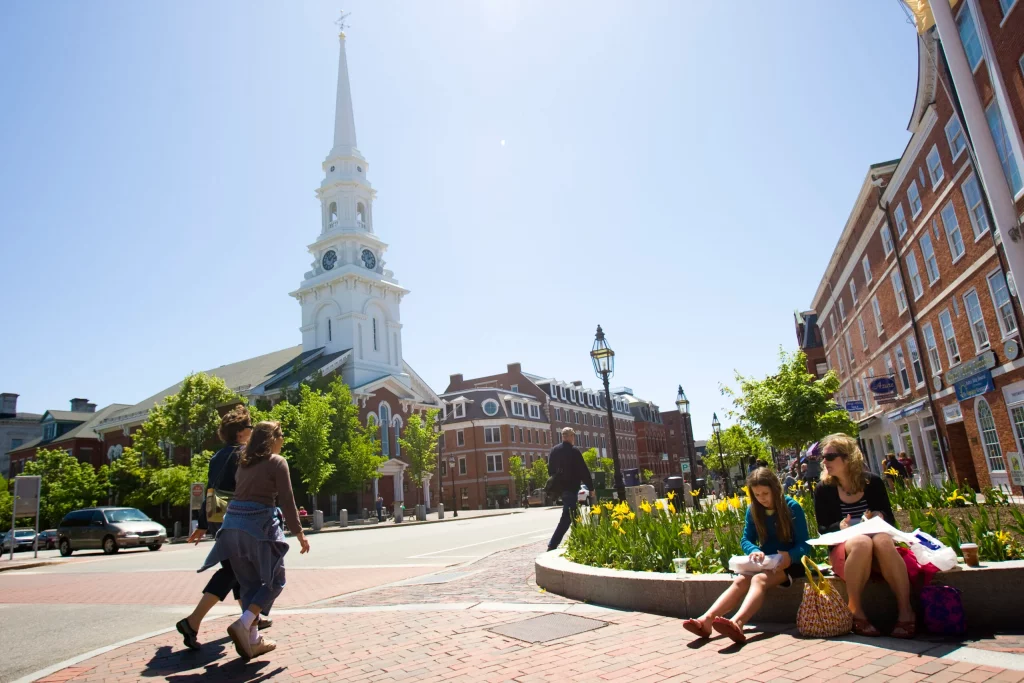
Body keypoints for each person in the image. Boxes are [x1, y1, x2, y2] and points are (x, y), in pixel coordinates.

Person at [198, 421, 310, 660]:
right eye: (281, 436)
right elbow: (287, 500)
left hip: (231, 527)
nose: (283, 440)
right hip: (258, 525)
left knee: (248, 583)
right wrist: (299, 533)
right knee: (276, 580)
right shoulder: (277, 462)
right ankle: (244, 622)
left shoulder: (244, 463)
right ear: (272, 439)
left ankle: (253, 641)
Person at [177, 406, 270, 650]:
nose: (251, 431)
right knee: (231, 571)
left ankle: (251, 619)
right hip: (238, 518)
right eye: (249, 427)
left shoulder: (217, 456)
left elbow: (210, 490)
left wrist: (202, 524)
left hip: (219, 517)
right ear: (241, 432)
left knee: (237, 569)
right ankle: (192, 622)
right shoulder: (243, 454)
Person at [682, 467, 810, 644]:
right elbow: (745, 539)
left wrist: (790, 556)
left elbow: (805, 545)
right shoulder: (754, 510)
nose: (762, 498)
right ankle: (706, 620)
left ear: (776, 489)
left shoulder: (792, 507)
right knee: (740, 580)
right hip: (765, 562)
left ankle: (737, 623)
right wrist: (753, 550)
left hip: (790, 564)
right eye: (757, 494)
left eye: (765, 493)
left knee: (759, 580)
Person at [813, 433, 915, 638]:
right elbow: (823, 529)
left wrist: (880, 515)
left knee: (882, 540)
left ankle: (906, 612)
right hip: (846, 549)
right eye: (823, 457)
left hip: (878, 547)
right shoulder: (824, 489)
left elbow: (889, 519)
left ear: (848, 457)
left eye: (830, 457)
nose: (825, 462)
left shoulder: (873, 482)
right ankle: (856, 611)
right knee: (860, 542)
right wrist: (840, 526)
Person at [546, 428, 594, 551]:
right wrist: (591, 487)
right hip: (571, 488)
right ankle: (553, 545)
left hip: (560, 489)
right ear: (570, 436)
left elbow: (550, 470)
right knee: (568, 516)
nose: (574, 439)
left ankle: (581, 541)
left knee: (574, 515)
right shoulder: (574, 451)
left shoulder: (554, 450)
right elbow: (583, 471)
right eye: (573, 436)